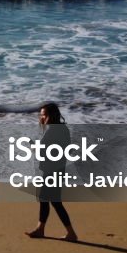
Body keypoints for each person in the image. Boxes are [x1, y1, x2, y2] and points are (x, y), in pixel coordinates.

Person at [26, 102, 79, 242]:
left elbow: (41, 150)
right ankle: (41, 229)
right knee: (47, 200)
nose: (41, 117)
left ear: (50, 115)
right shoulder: (63, 129)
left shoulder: (51, 130)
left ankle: (70, 233)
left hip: (51, 170)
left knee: (52, 201)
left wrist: (30, 144)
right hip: (58, 168)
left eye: (43, 114)